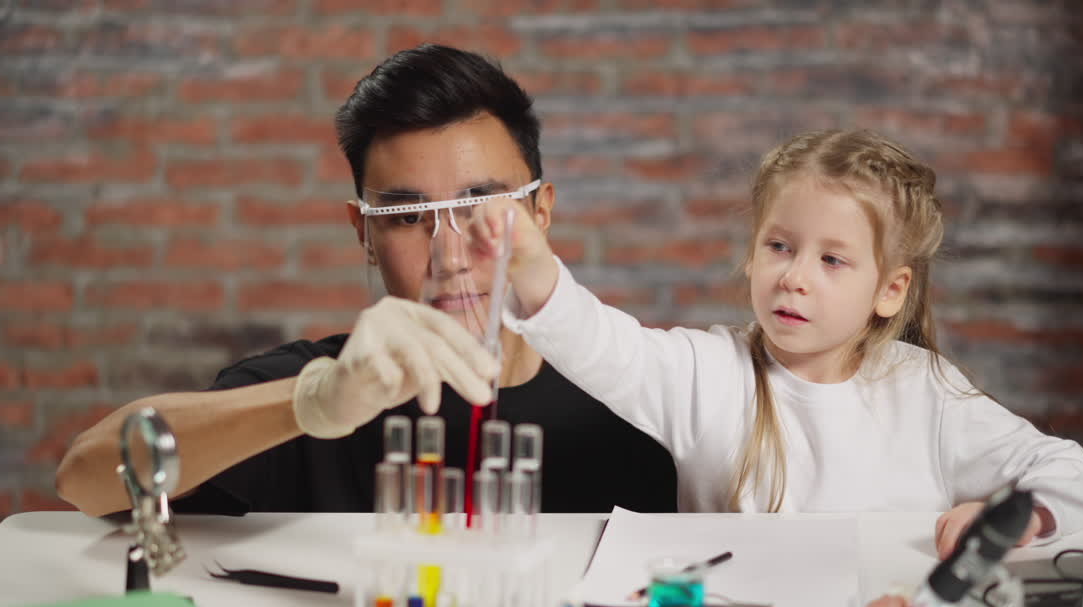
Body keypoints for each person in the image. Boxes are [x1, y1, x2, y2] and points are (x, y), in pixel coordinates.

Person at [56, 44, 678, 517]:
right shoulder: (320, 390)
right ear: (365, 234)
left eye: (478, 208)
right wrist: (312, 402)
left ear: (540, 213)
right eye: (406, 216)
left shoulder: (637, 391)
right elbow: (85, 476)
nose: (451, 255)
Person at [469, 128, 1083, 558]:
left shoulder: (926, 393)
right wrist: (532, 269)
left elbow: (1071, 473)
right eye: (780, 247)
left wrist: (1014, 520)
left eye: (832, 260)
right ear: (752, 254)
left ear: (890, 289)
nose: (794, 276)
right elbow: (606, 346)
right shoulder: (709, 374)